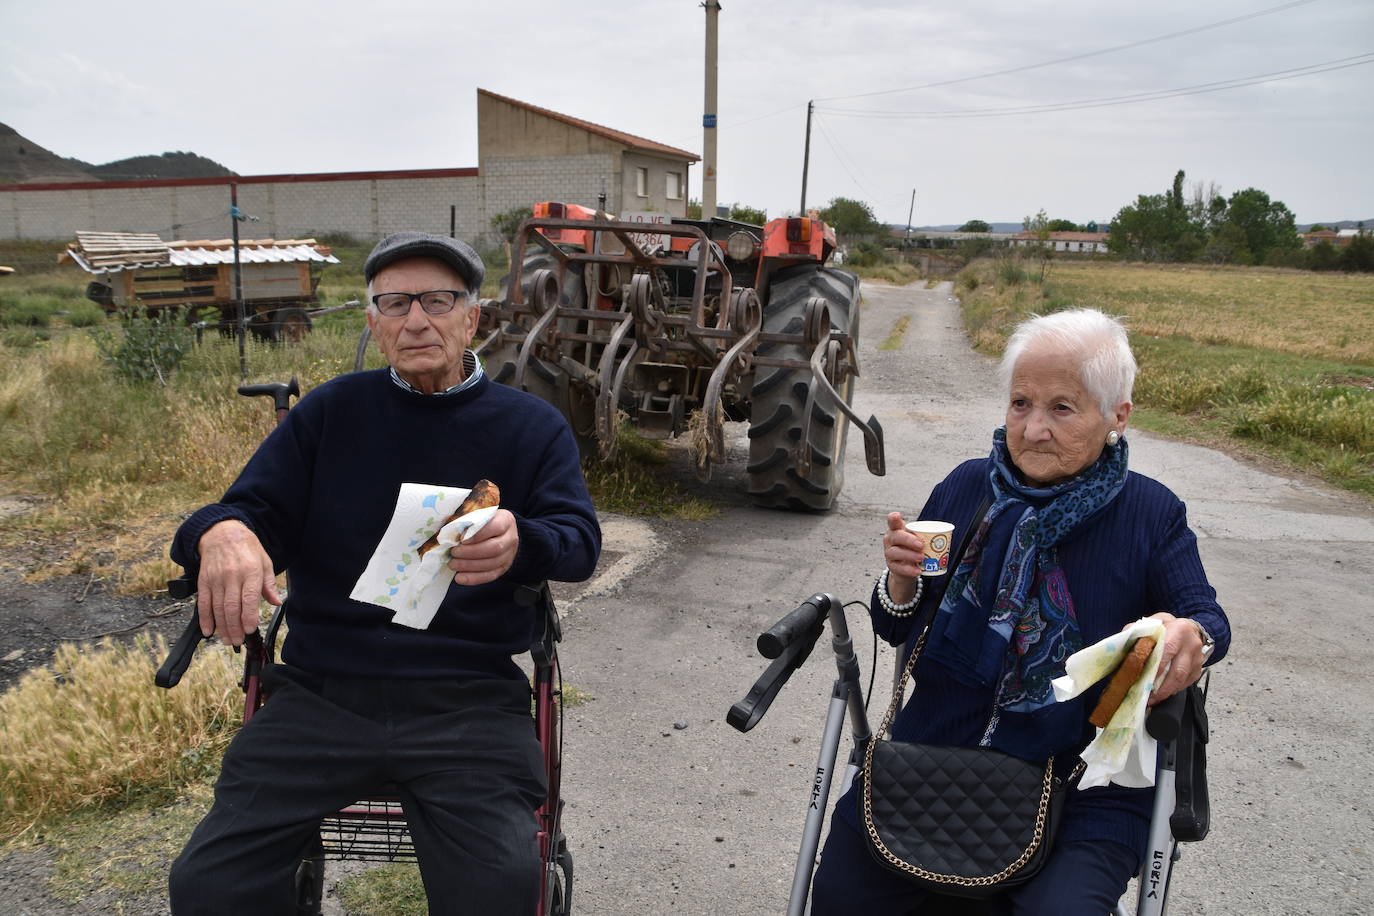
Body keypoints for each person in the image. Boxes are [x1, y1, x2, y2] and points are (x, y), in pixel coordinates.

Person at [166, 232, 601, 915]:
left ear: (472, 319)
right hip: (321, 694)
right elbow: (250, 511)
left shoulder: (530, 426)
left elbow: (579, 543)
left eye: (437, 300)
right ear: (373, 321)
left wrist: (525, 542)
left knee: (500, 888)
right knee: (209, 884)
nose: (416, 319)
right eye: (395, 303)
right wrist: (219, 531)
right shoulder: (330, 414)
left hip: (468, 700)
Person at [810, 308, 1230, 915]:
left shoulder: (1150, 513)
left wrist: (1190, 635)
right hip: (933, 757)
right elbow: (896, 626)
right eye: (1020, 404)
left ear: (1118, 415)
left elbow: (1207, 619)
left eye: (1062, 408)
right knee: (845, 900)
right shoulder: (965, 487)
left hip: (1084, 781)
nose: (1033, 429)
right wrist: (900, 582)